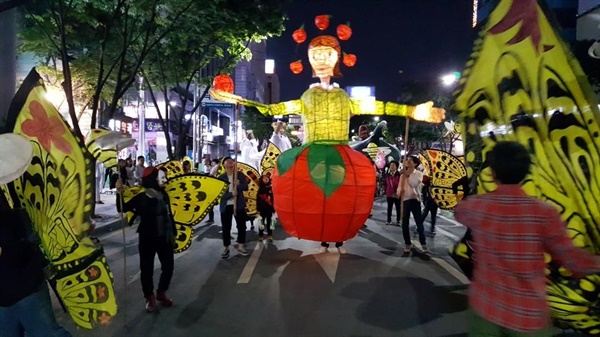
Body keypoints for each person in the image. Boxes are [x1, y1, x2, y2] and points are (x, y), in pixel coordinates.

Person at [454, 141, 600, 336]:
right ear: (526, 172)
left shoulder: (477, 207)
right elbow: (573, 260)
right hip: (529, 318)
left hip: (486, 310)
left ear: (493, 173)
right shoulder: (544, 213)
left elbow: (459, 211)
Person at [117, 167, 175, 313]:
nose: (163, 179)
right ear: (152, 179)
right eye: (160, 177)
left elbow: (169, 214)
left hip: (165, 236)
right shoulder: (142, 197)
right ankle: (149, 297)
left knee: (168, 267)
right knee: (146, 269)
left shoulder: (164, 194)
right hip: (147, 237)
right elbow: (122, 208)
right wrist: (119, 192)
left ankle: (161, 293)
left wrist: (173, 232)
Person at [217, 157, 250, 258]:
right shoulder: (221, 178)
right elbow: (220, 194)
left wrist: (239, 185)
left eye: (232, 160)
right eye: (228, 161)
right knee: (226, 227)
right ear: (224, 165)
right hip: (226, 205)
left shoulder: (239, 175)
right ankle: (226, 248)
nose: (230, 162)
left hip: (238, 205)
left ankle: (241, 246)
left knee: (241, 226)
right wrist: (231, 194)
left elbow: (246, 187)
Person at [397, 155, 427, 256]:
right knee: (404, 223)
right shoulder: (402, 176)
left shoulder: (418, 174)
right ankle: (407, 243)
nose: (408, 161)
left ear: (415, 164)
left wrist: (408, 175)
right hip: (405, 200)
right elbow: (399, 188)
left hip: (415, 200)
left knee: (419, 223)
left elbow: (414, 184)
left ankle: (423, 243)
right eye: (407, 160)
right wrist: (399, 192)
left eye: (410, 160)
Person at [256, 173, 275, 242]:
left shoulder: (271, 188)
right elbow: (258, 200)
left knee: (270, 223)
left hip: (270, 209)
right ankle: (261, 236)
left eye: (267, 177)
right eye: (264, 178)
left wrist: (274, 208)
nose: (266, 178)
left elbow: (274, 199)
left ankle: (270, 235)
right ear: (261, 180)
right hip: (262, 209)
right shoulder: (260, 189)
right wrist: (258, 209)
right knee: (261, 223)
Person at [384, 160, 401, 226]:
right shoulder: (387, 175)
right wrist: (386, 191)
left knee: (398, 207)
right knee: (389, 207)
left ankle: (398, 220)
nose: (392, 167)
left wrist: (399, 192)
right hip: (389, 193)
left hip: (397, 193)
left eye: (393, 165)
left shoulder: (399, 175)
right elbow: (385, 184)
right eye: (391, 165)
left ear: (396, 167)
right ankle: (388, 220)